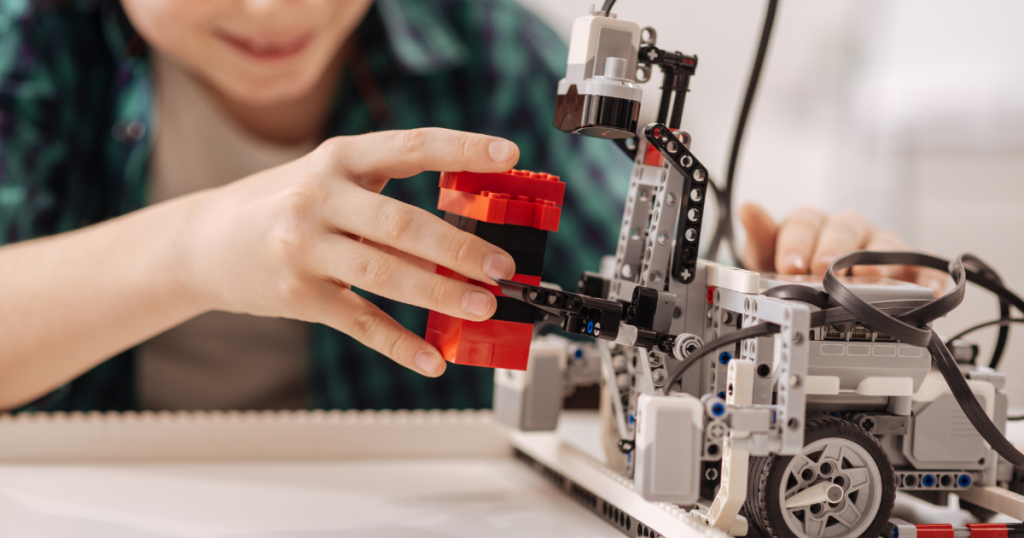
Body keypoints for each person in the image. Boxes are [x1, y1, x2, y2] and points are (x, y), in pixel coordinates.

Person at [0, 0, 943, 413]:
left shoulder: (490, 60)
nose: (270, 5)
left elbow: (648, 290)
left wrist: (790, 301)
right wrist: (195, 248)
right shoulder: (29, 51)